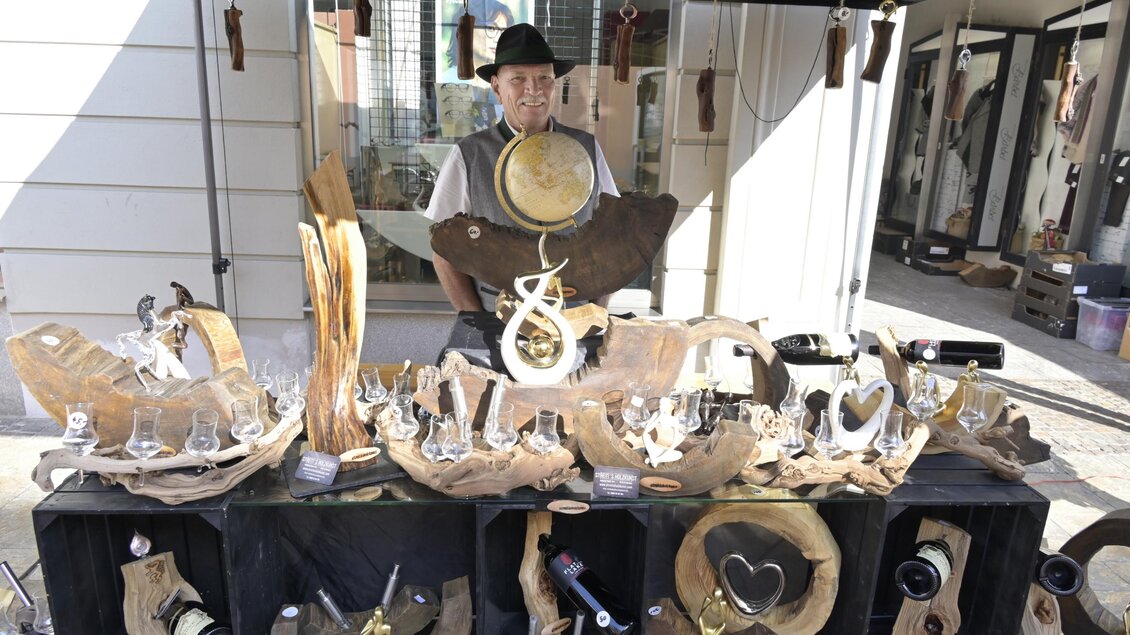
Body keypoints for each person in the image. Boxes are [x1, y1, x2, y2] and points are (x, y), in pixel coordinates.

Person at [425, 23, 619, 312]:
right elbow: (444, 249)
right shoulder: (469, 155)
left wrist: (596, 312)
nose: (534, 89)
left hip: (573, 319)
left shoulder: (586, 149)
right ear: (496, 87)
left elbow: (614, 236)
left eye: (545, 77)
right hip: (497, 320)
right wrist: (475, 320)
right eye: (518, 78)